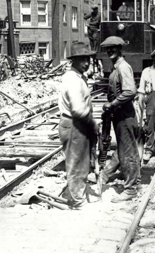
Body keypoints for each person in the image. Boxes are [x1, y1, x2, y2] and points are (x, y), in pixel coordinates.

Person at [58, 42, 99, 209]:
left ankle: (78, 196)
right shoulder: (73, 80)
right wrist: (93, 123)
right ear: (73, 61)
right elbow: (77, 110)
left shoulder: (78, 77)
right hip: (75, 124)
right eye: (82, 59)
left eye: (88, 58)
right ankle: (77, 201)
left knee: (81, 162)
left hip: (78, 124)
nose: (87, 62)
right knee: (76, 164)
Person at [100, 36, 140, 203]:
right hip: (119, 116)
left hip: (125, 116)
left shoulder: (123, 67)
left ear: (120, 50)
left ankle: (131, 189)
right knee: (124, 150)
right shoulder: (116, 67)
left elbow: (130, 91)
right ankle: (106, 175)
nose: (110, 51)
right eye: (108, 49)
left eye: (113, 48)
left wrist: (112, 104)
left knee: (128, 153)